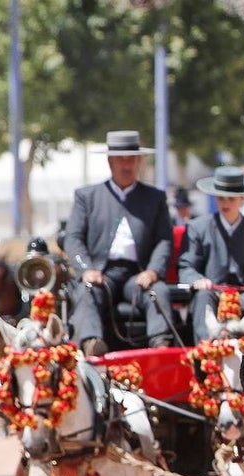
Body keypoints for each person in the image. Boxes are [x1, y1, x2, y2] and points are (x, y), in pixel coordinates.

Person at [63, 130, 174, 355]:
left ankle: (161, 346)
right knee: (86, 291)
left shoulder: (155, 198)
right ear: (110, 160)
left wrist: (153, 272)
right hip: (102, 273)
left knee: (158, 292)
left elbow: (164, 240)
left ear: (140, 161)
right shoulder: (87, 196)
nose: (126, 165)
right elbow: (73, 238)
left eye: (131, 159)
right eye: (121, 159)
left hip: (138, 274)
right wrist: (86, 269)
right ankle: (92, 344)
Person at [179, 166, 244, 341]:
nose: (225, 203)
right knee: (202, 300)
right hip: (211, 293)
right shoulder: (197, 227)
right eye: (221, 198)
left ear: (242, 198)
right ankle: (205, 358)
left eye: (231, 198)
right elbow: (186, 266)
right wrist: (197, 279)